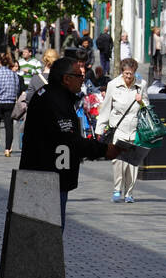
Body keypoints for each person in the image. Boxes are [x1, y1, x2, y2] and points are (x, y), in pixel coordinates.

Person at [21, 56, 117, 224]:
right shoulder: (55, 101)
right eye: (79, 76)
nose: (83, 79)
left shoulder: (52, 96)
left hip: (50, 176)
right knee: (49, 232)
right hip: (48, 178)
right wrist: (103, 150)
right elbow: (70, 140)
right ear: (66, 79)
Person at [97, 58, 146, 203]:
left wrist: (141, 102)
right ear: (122, 72)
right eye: (126, 74)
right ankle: (117, 188)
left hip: (135, 129)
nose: (129, 77)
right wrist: (100, 128)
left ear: (135, 72)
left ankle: (129, 193)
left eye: (131, 74)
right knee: (118, 161)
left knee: (132, 164)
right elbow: (106, 108)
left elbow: (147, 107)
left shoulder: (141, 85)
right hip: (118, 128)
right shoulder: (113, 85)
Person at [0, 51, 22, 157]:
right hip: (10, 103)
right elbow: (17, 88)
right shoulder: (14, 75)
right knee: (9, 126)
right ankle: (8, 149)